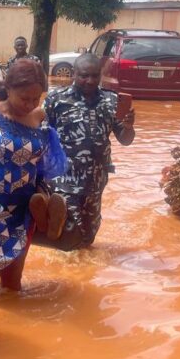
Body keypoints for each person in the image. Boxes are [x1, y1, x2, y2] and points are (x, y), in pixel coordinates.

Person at [0, 59, 67, 292]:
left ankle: (46, 218)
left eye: (35, 98)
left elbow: (44, 161)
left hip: (24, 210)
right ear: (8, 89)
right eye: (24, 98)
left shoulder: (38, 118)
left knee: (12, 285)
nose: (30, 104)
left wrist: (42, 188)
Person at [41, 53, 136, 250]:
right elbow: (41, 136)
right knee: (68, 230)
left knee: (89, 233)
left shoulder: (112, 101)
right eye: (84, 75)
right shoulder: (56, 100)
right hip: (64, 179)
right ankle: (67, 273)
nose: (90, 81)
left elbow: (125, 141)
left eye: (94, 76)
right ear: (74, 74)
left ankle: (85, 269)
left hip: (96, 180)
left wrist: (128, 126)